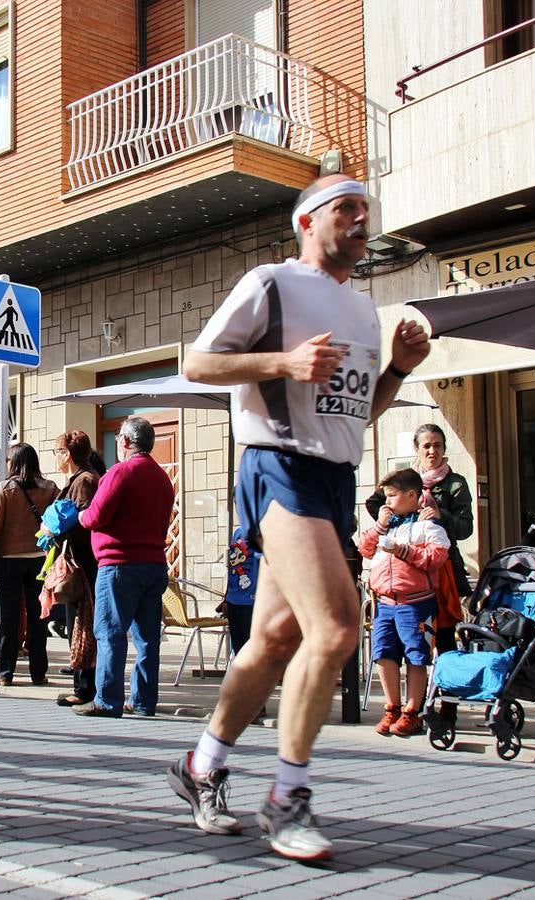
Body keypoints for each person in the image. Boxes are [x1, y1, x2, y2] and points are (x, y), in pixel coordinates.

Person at [165, 174, 430, 861]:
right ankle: (287, 798)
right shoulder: (271, 283)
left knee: (274, 639)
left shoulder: (364, 310)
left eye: (366, 209)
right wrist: (284, 361)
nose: (362, 219)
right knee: (337, 627)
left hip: (335, 478)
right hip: (279, 465)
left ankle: (199, 766)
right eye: (347, 209)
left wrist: (397, 371)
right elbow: (197, 363)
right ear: (308, 222)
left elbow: (356, 413)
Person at [365, 423, 474, 723]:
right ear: (416, 449)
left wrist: (440, 515)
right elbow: (374, 502)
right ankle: (411, 709)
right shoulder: (405, 480)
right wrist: (395, 519)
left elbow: (465, 528)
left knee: (445, 641)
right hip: (403, 578)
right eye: (426, 445)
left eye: (437, 445)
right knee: (404, 645)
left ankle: (447, 710)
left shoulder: (455, 483)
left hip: (443, 570)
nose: (432, 451)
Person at [71, 418, 173, 718]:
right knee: (147, 639)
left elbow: (96, 516)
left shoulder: (120, 472)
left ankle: (107, 699)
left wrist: (81, 517)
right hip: (154, 563)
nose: (117, 441)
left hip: (119, 563)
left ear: (126, 441)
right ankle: (143, 700)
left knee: (110, 633)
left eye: (118, 437)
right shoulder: (162, 477)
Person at [357, 468, 450, 737]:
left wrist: (402, 550)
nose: (387, 501)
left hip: (415, 603)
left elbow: (436, 558)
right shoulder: (387, 525)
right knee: (384, 654)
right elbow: (364, 548)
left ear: (411, 495)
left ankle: (413, 712)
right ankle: (392, 708)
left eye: (392, 495)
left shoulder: (428, 526)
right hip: (384, 603)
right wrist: (379, 525)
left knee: (416, 655)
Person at [0, 442, 58, 687]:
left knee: (8, 618)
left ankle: (5, 672)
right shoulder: (50, 488)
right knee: (39, 617)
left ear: (14, 462)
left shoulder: (6, 488)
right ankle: (38, 672)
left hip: (9, 559)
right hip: (41, 558)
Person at [50, 429, 100, 707]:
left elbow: (85, 521)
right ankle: (82, 684)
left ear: (67, 454)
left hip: (83, 563)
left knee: (82, 624)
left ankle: (84, 688)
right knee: (78, 623)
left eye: (57, 452)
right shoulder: (81, 479)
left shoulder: (84, 481)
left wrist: (55, 528)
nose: (56, 457)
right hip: (79, 561)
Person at [225, 524, 259, 656]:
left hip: (252, 602)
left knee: (252, 653)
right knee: (239, 651)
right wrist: (226, 597)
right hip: (234, 600)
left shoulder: (264, 531)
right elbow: (233, 566)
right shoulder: (238, 532)